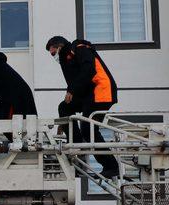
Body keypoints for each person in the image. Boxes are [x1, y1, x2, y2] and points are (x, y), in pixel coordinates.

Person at [46, 36, 119, 178]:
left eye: (54, 53)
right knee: (64, 108)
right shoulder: (68, 59)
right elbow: (75, 81)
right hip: (89, 93)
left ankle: (111, 166)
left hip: (101, 91)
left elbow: (88, 71)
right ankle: (77, 144)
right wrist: (64, 121)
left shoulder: (79, 48)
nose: (54, 56)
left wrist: (72, 90)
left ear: (60, 46)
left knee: (88, 129)